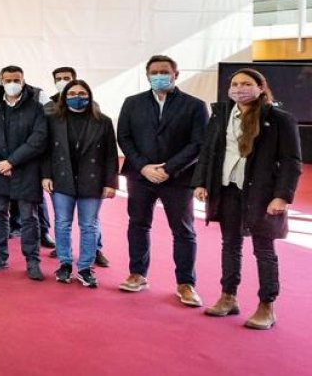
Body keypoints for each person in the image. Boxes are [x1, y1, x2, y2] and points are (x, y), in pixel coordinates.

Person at [194, 68, 302, 330]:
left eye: (246, 84)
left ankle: (267, 305)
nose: (240, 88)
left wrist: (282, 197)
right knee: (230, 245)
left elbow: (291, 161)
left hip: (262, 194)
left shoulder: (279, 119)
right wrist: (200, 182)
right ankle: (228, 296)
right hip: (227, 190)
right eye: (235, 84)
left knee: (263, 250)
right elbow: (208, 151)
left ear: (261, 88)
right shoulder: (221, 116)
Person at [117, 55, 208, 306]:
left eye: (164, 71)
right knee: (138, 225)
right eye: (154, 72)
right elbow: (124, 138)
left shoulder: (195, 106)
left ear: (175, 74)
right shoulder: (132, 103)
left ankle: (186, 283)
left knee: (183, 231)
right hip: (140, 176)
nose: (159, 75)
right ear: (147, 75)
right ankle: (137, 274)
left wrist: (168, 168)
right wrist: (144, 166)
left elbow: (199, 143)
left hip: (178, 178)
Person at [42, 80, 118, 287]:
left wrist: (111, 182)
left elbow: (111, 154)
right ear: (65, 96)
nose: (78, 96)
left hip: (91, 180)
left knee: (89, 225)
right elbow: (46, 151)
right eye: (73, 93)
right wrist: (46, 175)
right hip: (61, 178)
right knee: (62, 223)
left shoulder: (103, 121)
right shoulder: (53, 120)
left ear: (90, 95)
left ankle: (85, 267)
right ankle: (65, 263)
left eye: (82, 93)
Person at [0, 65, 47, 280]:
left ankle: (32, 260)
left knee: (29, 218)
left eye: (17, 79)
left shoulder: (35, 107)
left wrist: (12, 161)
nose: (13, 83)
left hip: (26, 170)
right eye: (8, 80)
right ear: (1, 80)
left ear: (24, 80)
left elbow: (39, 138)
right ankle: (0, 255)